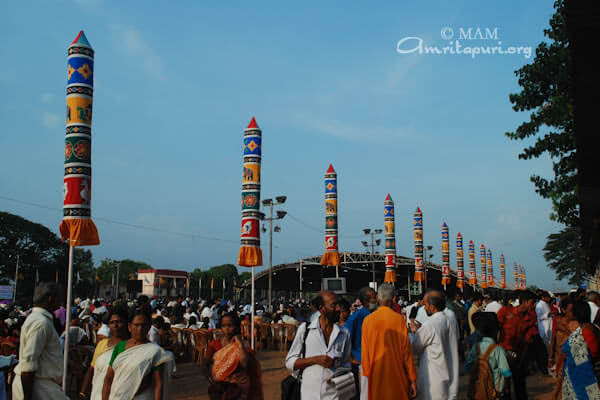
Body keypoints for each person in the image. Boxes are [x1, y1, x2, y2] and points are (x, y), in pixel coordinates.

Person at [285, 290, 352, 400]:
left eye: (338, 305)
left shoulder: (344, 333)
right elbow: (290, 362)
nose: (338, 309)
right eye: (334, 305)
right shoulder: (305, 330)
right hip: (309, 394)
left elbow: (346, 365)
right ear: (322, 309)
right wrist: (315, 360)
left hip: (335, 395)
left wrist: (336, 364)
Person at [12, 282, 68, 400]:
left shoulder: (39, 319)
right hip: (38, 385)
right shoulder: (41, 323)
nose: (61, 301)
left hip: (40, 384)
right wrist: (27, 397)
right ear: (50, 299)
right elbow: (28, 365)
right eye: (59, 297)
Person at [361, 283, 417, 400]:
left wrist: (367, 374)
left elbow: (365, 353)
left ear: (377, 298)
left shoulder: (367, 321)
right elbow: (406, 353)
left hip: (375, 375)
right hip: (397, 375)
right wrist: (412, 378)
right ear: (393, 299)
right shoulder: (399, 320)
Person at [102, 311, 173, 400]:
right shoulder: (120, 347)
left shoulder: (155, 351)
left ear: (149, 327)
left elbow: (158, 384)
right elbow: (109, 378)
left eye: (143, 325)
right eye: (136, 325)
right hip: (117, 396)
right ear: (129, 327)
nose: (140, 329)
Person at [202, 312, 263, 399]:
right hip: (220, 387)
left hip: (238, 387)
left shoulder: (243, 345)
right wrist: (211, 380)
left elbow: (244, 363)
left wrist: (240, 344)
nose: (227, 328)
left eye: (230, 325)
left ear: (236, 327)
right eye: (224, 326)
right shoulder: (215, 344)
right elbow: (205, 363)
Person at [411, 290, 454, 400]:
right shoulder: (448, 319)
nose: (424, 308)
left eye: (425, 304)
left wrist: (415, 331)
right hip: (447, 372)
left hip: (433, 378)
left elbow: (415, 346)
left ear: (432, 306)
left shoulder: (430, 324)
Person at [80, 307, 130, 400]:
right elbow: (91, 369)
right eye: (112, 322)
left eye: (119, 322)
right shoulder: (102, 344)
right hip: (97, 394)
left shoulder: (131, 346)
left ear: (127, 324)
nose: (115, 325)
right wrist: (83, 393)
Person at [497, 290, 537, 400]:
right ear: (524, 302)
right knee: (504, 387)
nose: (534, 306)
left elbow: (527, 341)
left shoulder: (530, 319)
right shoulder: (504, 312)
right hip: (503, 354)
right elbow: (496, 330)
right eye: (532, 303)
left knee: (520, 384)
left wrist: (522, 361)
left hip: (518, 355)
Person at [465, 312, 512, 399]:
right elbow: (507, 373)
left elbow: (467, 367)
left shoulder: (475, 347)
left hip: (478, 391)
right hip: (495, 392)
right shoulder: (498, 350)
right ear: (495, 332)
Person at [561, 299, 600, 398]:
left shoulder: (584, 333)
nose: (567, 313)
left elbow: (591, 353)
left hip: (588, 376)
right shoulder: (592, 327)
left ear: (575, 314)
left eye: (570, 311)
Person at [345, 287, 376, 400]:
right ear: (365, 301)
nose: (376, 300)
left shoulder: (377, 315)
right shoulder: (355, 318)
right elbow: (346, 341)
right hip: (363, 363)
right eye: (373, 297)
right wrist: (352, 359)